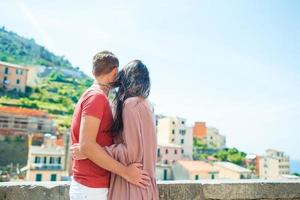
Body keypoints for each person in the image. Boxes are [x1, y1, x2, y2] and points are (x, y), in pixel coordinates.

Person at [72, 60, 159, 200]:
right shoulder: (146, 105)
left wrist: (91, 151)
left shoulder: (131, 104)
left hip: (131, 186)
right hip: (146, 186)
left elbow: (132, 152)